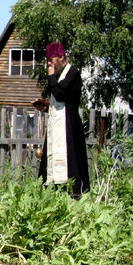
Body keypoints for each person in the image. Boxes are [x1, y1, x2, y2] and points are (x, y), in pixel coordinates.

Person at [37, 42, 90, 196]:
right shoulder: (60, 76)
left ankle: (73, 194)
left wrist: (50, 75)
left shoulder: (72, 74)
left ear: (61, 57)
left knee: (71, 161)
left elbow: (60, 94)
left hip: (69, 128)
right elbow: (61, 103)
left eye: (51, 60)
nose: (49, 64)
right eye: (48, 61)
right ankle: (50, 194)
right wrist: (46, 108)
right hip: (57, 125)